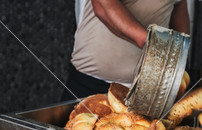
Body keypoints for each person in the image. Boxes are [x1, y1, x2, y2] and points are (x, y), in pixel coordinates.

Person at [62, 0, 190, 100]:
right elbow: (103, 7)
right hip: (91, 86)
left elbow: (178, 11)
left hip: (151, 91)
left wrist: (179, 63)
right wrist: (151, 43)